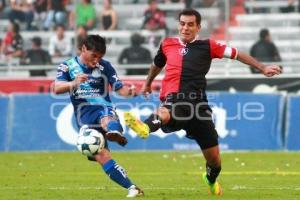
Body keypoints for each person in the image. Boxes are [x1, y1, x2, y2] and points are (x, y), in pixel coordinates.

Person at [124, 9, 282, 196]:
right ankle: (144, 127)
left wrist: (262, 67)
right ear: (178, 25)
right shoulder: (167, 44)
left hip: (199, 106)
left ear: (198, 27)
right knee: (168, 110)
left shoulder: (209, 46)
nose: (185, 28)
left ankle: (210, 178)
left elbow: (237, 54)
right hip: (175, 97)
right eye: (182, 23)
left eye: (190, 24)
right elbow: (157, 64)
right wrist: (148, 83)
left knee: (215, 161)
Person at [53, 34, 144, 198]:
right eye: (93, 56)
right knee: (101, 155)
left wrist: (132, 92)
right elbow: (56, 88)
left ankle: (114, 132)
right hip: (84, 116)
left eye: (100, 57)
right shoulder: (67, 66)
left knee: (106, 120)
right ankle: (133, 188)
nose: (96, 61)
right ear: (83, 49)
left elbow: (119, 88)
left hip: (103, 107)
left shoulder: (105, 66)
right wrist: (73, 83)